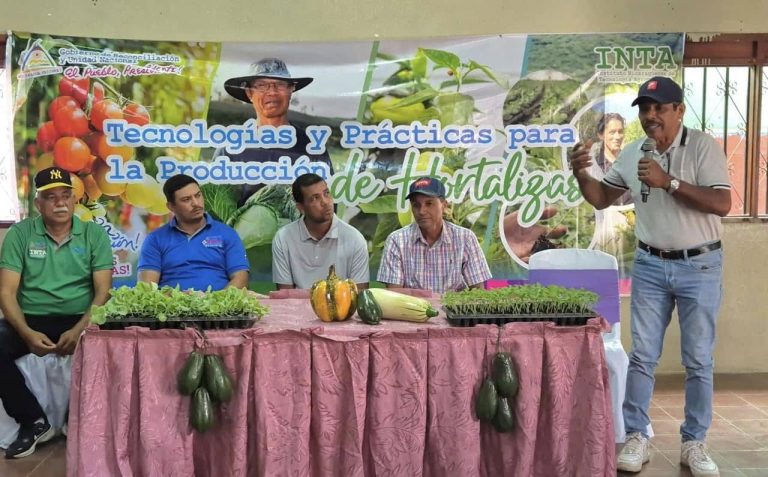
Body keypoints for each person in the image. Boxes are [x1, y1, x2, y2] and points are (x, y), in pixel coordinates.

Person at [569, 76, 731, 476]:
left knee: (698, 359)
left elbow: (722, 202)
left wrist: (668, 182)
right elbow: (601, 198)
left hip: (700, 265)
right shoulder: (633, 153)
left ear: (679, 110)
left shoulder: (703, 147)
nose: (650, 115)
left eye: (660, 107)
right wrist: (581, 174)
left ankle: (694, 443)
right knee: (642, 356)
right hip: (651, 265)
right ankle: (637, 436)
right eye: (645, 108)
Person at [0, 167, 113, 459]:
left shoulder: (93, 233)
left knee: (116, 343)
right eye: (51, 198)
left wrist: (80, 329)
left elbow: (103, 292)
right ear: (38, 204)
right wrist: (26, 333)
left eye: (66, 196)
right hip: (31, 318)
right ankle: (33, 421)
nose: (60, 203)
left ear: (75, 200)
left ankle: (78, 418)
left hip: (80, 317)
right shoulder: (20, 234)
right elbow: (6, 293)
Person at [223, 57, 334, 207]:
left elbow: (327, 205)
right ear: (249, 93)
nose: (272, 92)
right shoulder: (230, 147)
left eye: (280, 85)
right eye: (261, 85)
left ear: (291, 90)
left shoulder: (312, 146)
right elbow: (218, 211)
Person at [377, 176, 492, 293]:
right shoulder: (397, 240)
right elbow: (394, 294)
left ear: (444, 205)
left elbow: (478, 291)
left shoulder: (465, 238)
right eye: (416, 205)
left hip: (453, 305)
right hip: (411, 305)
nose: (421, 211)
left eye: (429, 203)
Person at [137, 174, 249, 291]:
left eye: (198, 195)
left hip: (220, 301)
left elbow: (241, 278)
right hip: (171, 302)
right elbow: (147, 287)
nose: (196, 203)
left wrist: (215, 299)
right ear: (171, 207)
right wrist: (179, 298)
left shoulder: (227, 233)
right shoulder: (155, 239)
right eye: (186, 199)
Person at [271, 173, 369, 290]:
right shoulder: (283, 238)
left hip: (341, 302)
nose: (325, 202)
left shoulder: (355, 239)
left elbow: (359, 293)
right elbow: (285, 294)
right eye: (315, 198)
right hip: (295, 302)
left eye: (326, 193)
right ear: (301, 208)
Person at [589, 112, 632, 206]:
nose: (617, 137)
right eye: (612, 132)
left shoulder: (632, 163)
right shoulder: (594, 166)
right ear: (601, 135)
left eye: (620, 131)